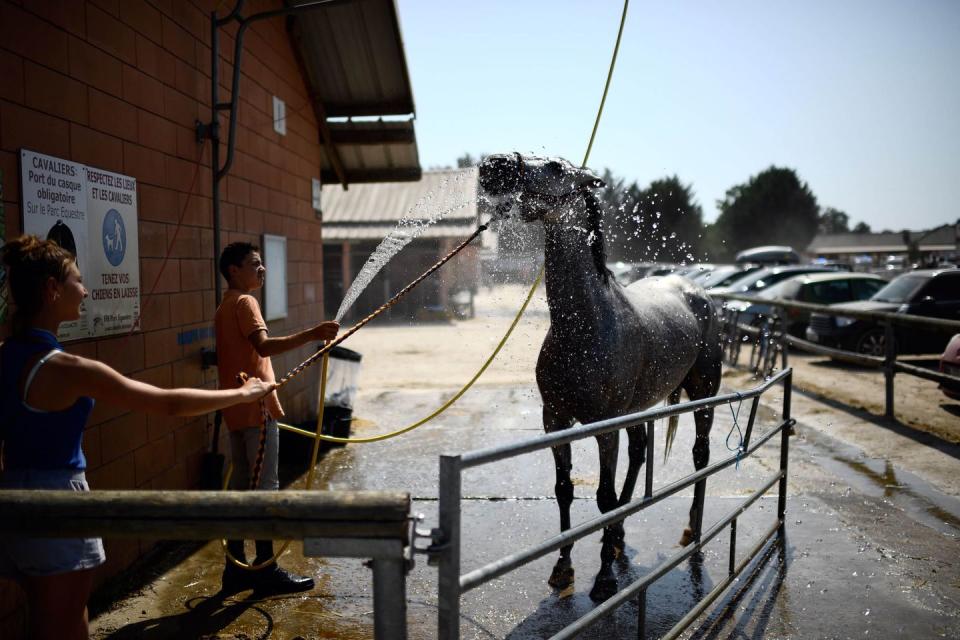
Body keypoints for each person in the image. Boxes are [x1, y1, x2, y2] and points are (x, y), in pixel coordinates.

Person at [0, 235, 276, 640]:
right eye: (77, 279)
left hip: (12, 501)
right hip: (59, 502)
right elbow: (168, 403)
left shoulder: (5, 352)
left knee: (43, 616)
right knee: (65, 622)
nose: (86, 290)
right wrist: (244, 393)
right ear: (51, 290)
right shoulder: (67, 367)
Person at [215, 242, 338, 594]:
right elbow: (265, 347)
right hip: (257, 410)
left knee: (242, 489)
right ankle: (265, 570)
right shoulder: (244, 302)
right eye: (255, 263)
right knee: (265, 489)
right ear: (234, 270)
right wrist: (312, 334)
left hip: (236, 411)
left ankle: (234, 569)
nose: (262, 268)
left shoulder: (224, 306)